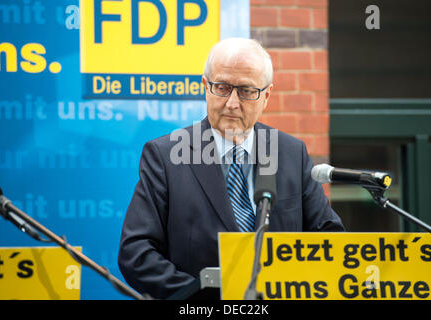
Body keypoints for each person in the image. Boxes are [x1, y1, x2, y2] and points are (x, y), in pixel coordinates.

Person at [118, 38, 344, 299]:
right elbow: (136, 253)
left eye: (246, 91)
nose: (232, 103)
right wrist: (206, 296)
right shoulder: (165, 155)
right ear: (205, 87)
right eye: (222, 87)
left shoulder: (291, 153)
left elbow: (329, 240)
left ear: (266, 96)